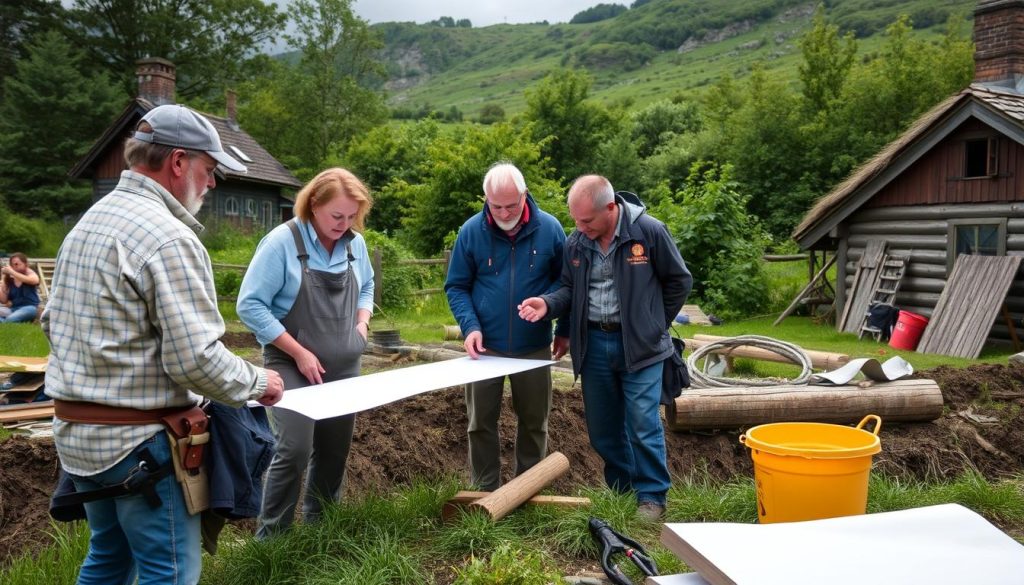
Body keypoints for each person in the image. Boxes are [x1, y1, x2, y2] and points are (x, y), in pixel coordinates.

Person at [42, 104, 284, 585]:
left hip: (80, 439)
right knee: (169, 573)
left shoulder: (91, 220)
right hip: (139, 450)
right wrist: (259, 381)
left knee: (108, 560)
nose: (212, 184)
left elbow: (53, 323)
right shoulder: (168, 237)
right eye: (209, 170)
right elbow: (195, 361)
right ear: (178, 163)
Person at [518, 175, 692, 521]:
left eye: (587, 221)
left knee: (643, 421)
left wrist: (652, 323)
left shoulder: (648, 232)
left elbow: (679, 280)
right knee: (602, 428)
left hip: (641, 348)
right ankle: (623, 490)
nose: (580, 228)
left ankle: (652, 496)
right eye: (575, 220)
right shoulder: (577, 244)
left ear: (611, 208)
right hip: (595, 343)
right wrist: (547, 305)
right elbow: (569, 288)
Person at [236, 167, 375, 539]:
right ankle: (272, 540)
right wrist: (298, 352)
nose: (344, 225)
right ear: (314, 204)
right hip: (292, 364)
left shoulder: (354, 244)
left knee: (334, 451)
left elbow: (368, 286)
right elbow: (250, 306)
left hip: (345, 364)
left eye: (351, 217)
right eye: (336, 216)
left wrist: (362, 322)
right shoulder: (282, 242)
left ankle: (321, 530)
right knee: (295, 448)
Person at [445, 162, 569, 491]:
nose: (503, 212)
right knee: (479, 421)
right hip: (485, 347)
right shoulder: (471, 231)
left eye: (510, 205)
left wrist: (557, 317)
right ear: (486, 199)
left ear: (525, 196)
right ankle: (485, 489)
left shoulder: (551, 229)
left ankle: (527, 490)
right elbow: (456, 286)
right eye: (495, 205)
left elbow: (569, 284)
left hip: (533, 345)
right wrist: (470, 326)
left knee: (533, 421)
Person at [0, 252, 41, 323]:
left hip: (30, 308)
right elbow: (4, 300)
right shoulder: (9, 279)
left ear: (25, 264)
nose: (14, 267)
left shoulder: (29, 273)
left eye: (17, 264)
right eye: (12, 265)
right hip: (13, 309)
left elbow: (35, 280)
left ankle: (6, 321)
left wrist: (12, 272)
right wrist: (3, 280)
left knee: (11, 319)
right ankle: (12, 321)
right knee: (10, 316)